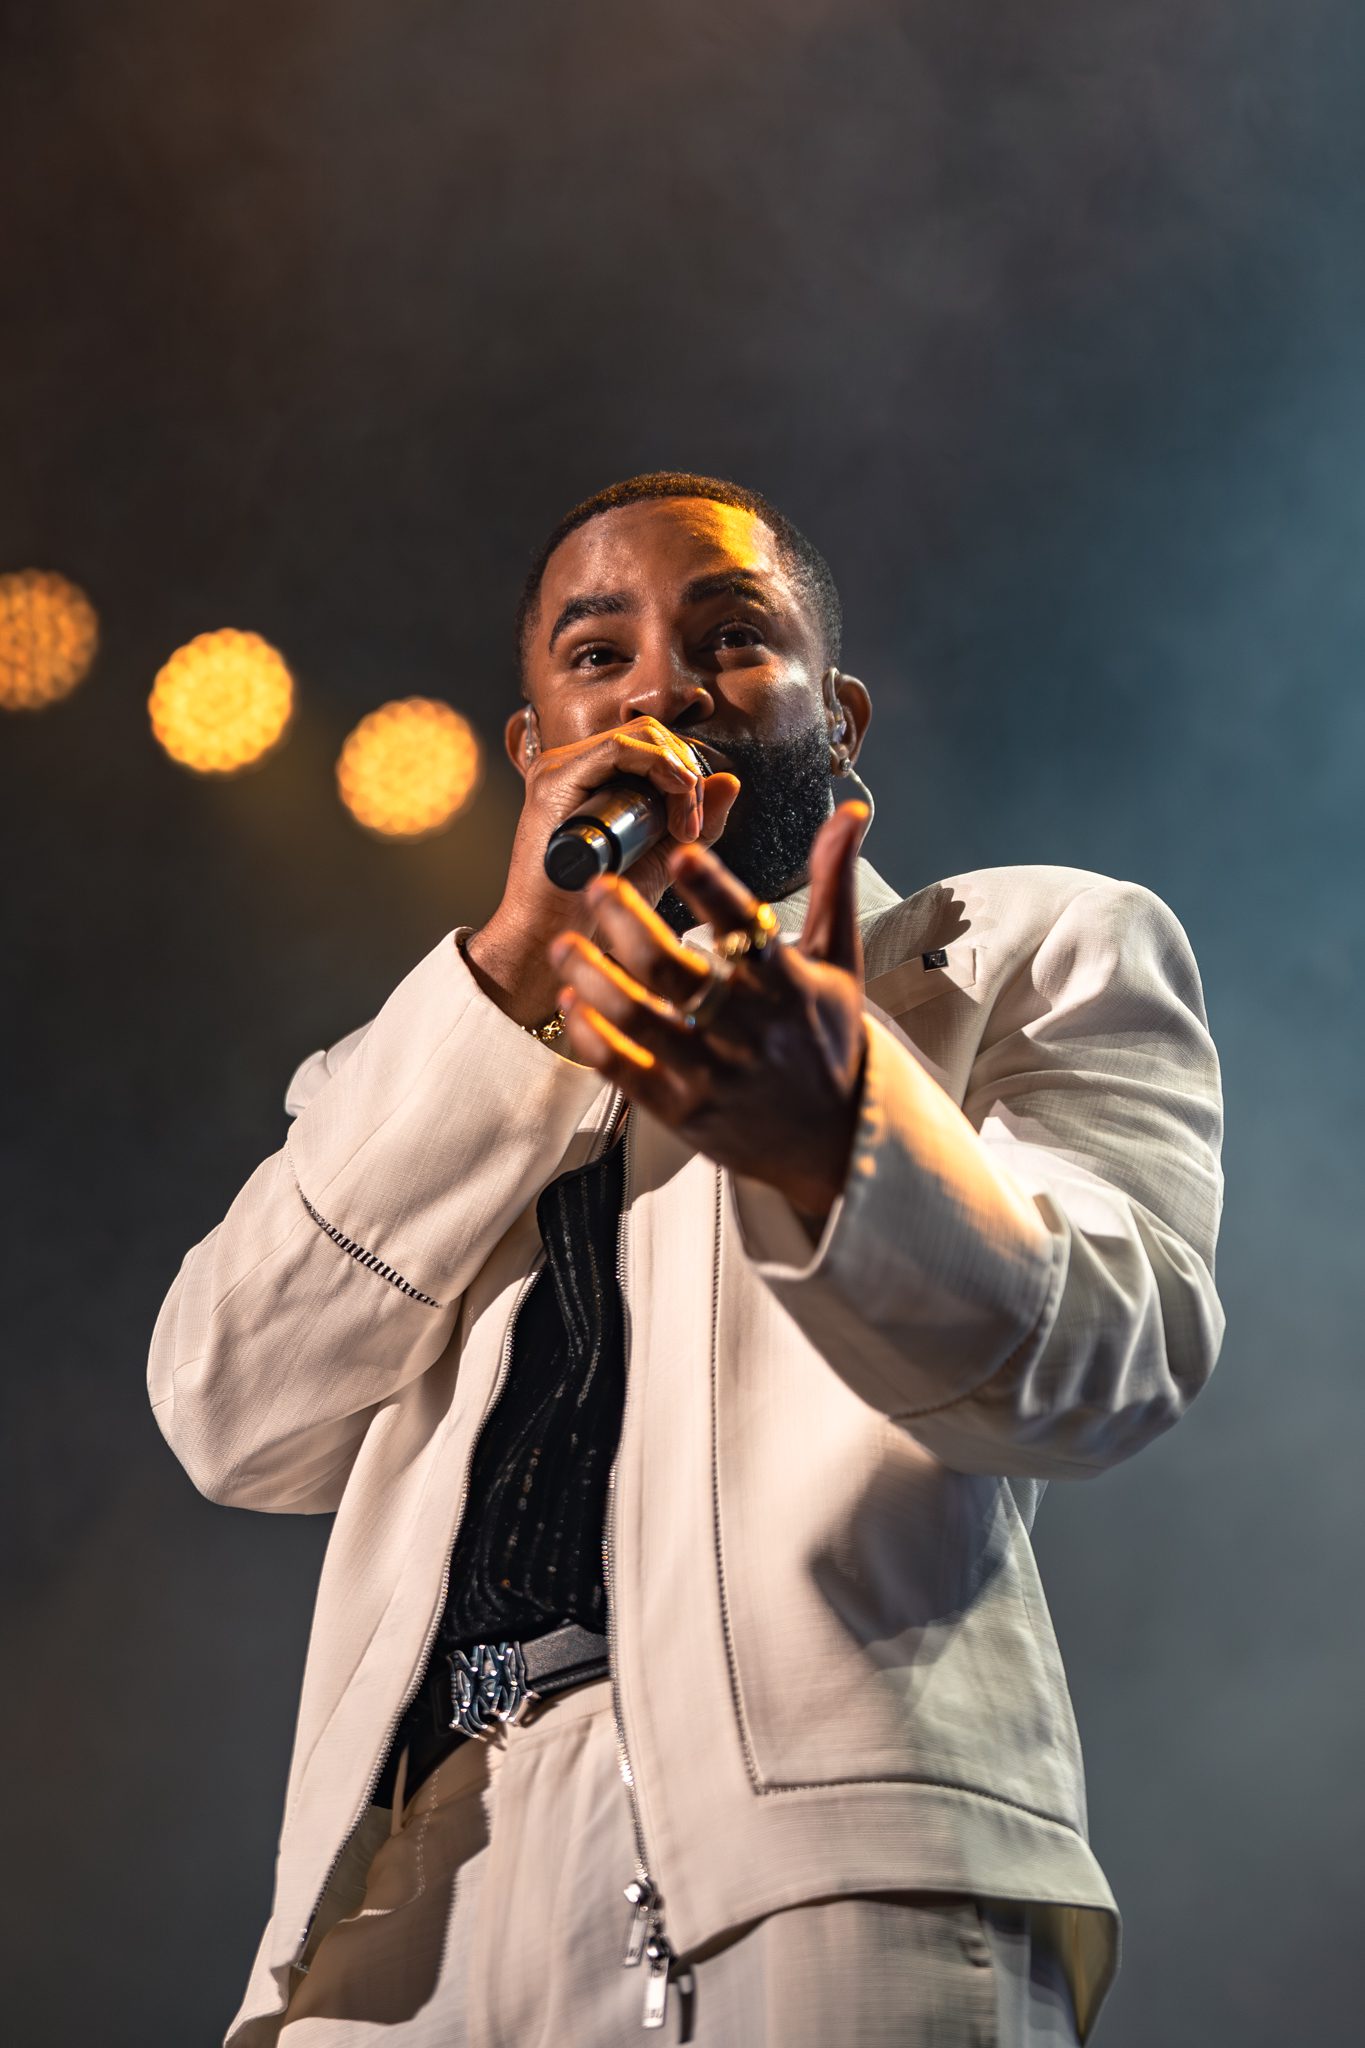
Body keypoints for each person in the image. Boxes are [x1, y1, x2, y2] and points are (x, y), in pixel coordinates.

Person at [148, 472, 1225, 2047]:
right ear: (531, 754)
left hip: (819, 1855)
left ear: (834, 713)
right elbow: (227, 1413)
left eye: (730, 636)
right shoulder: (395, 1077)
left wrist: (836, 1138)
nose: (658, 682)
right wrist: (510, 970)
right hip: (395, 1922)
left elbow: (1108, 1362)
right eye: (596, 655)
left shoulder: (1020, 951)